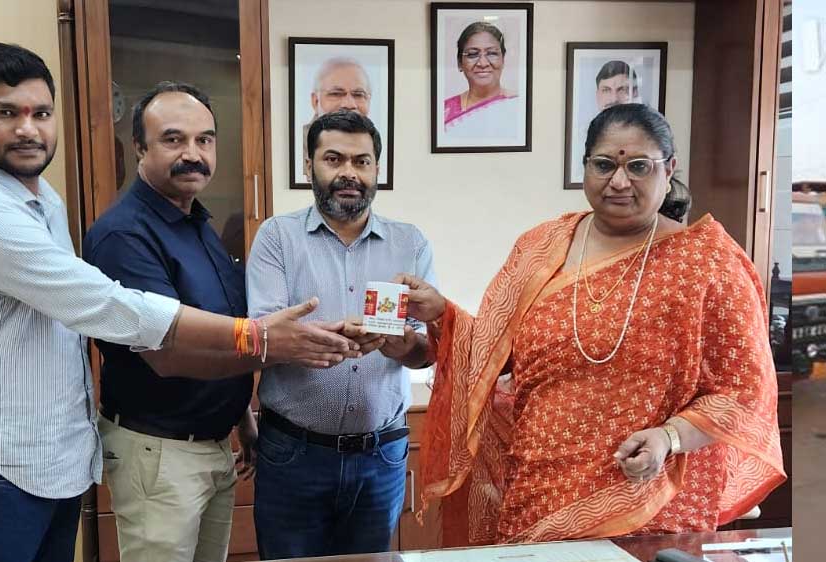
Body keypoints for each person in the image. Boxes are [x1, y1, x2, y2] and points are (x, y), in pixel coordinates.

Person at [0, 43, 356, 562]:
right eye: (5, 113)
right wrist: (260, 339)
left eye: (40, 113)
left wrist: (241, 406)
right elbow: (117, 311)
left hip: (54, 461)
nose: (27, 129)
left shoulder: (48, 203)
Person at [399, 103, 786, 546]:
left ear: (669, 169)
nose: (619, 181)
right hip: (539, 488)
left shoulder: (708, 261)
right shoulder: (541, 247)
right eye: (604, 165)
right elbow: (493, 353)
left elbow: (744, 390)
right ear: (585, 167)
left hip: (648, 499)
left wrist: (669, 438)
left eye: (639, 166)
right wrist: (441, 314)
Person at [84, 81, 266, 562]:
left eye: (204, 140)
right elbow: (168, 354)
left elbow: (220, 328)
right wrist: (271, 345)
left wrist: (243, 416)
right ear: (139, 148)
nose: (193, 154)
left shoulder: (196, 224)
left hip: (213, 446)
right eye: (173, 139)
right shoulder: (124, 235)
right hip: (160, 453)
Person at [247, 110, 438, 559]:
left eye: (361, 161)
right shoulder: (276, 237)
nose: (349, 173)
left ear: (377, 169)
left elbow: (428, 349)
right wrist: (332, 337)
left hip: (381, 456)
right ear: (308, 166)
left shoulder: (410, 244)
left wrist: (405, 346)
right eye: (333, 159)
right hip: (294, 455)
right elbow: (262, 339)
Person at [443, 22, 520, 137]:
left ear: (503, 60)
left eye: (492, 53)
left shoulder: (518, 105)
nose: (483, 63)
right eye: (472, 54)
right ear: (459, 63)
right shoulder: (444, 111)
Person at [300, 57, 373, 177]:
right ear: (315, 101)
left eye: (358, 94)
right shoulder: (298, 146)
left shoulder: (375, 144)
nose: (349, 104)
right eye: (336, 94)